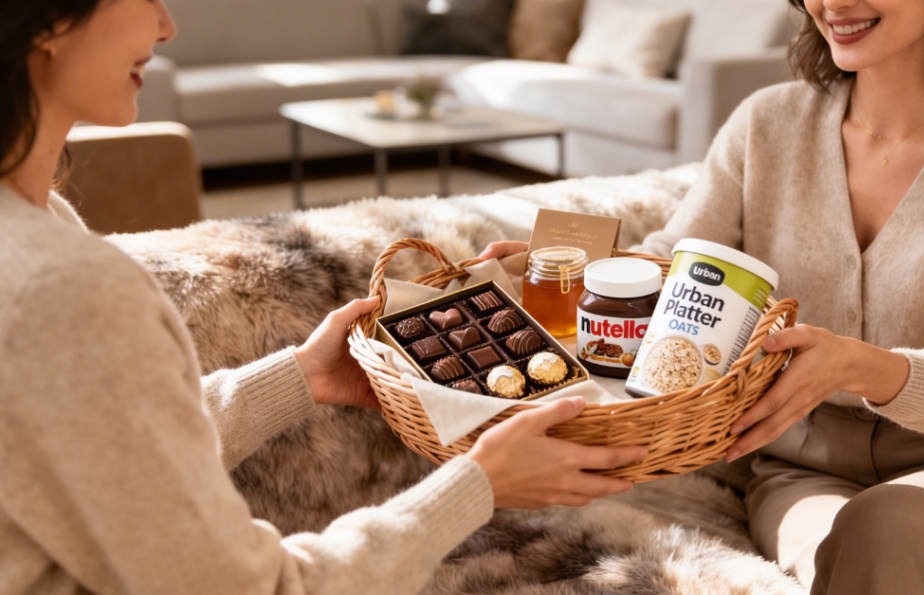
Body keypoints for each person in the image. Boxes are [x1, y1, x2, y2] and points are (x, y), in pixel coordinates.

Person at [0, 1, 650, 593]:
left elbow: (111, 444)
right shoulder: (64, 288)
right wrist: (478, 484)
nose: (166, 27)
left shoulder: (40, 223)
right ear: (50, 19)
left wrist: (300, 377)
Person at [486, 0, 924, 592]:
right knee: (870, 550)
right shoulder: (765, 124)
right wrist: (560, 269)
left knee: (889, 531)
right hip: (801, 467)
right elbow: (675, 258)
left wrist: (855, 365)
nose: (834, 4)